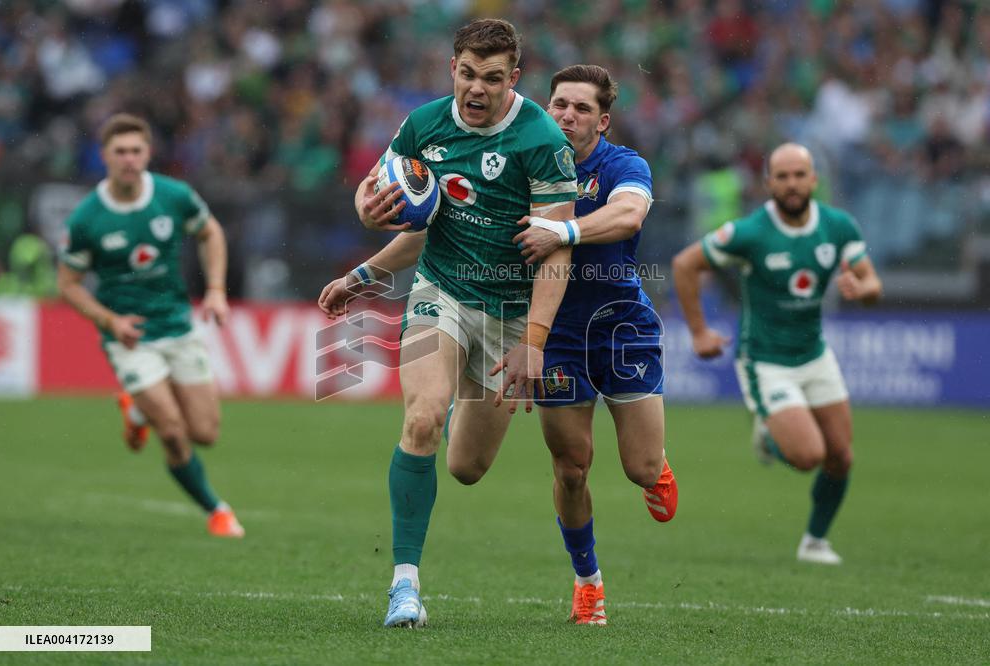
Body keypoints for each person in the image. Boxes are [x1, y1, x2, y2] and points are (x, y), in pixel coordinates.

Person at [320, 19, 577, 628]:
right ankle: (404, 585)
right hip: (442, 291)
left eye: (492, 78)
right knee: (421, 418)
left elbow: (558, 251)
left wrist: (534, 342)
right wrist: (367, 226)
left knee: (465, 468)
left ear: (513, 78)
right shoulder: (423, 124)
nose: (477, 89)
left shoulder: (541, 139)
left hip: (512, 316)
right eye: (467, 74)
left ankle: (467, 396)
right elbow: (379, 197)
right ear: (451, 70)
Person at [507, 64, 678, 626]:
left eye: (581, 108)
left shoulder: (622, 165)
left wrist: (564, 230)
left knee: (641, 468)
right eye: (558, 103)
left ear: (601, 121)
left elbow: (629, 215)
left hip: (621, 327)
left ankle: (658, 471)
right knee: (572, 468)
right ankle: (588, 581)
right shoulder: (520, 166)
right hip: (554, 337)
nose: (566, 115)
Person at [672, 142, 882, 564]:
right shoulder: (750, 233)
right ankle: (768, 436)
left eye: (799, 175)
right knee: (809, 456)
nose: (791, 184)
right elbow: (684, 264)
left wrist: (863, 291)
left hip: (814, 355)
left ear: (814, 180)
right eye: (782, 176)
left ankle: (815, 542)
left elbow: (873, 285)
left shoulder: (838, 226)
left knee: (841, 455)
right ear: (768, 183)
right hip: (766, 361)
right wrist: (698, 332)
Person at [56, 113, 244, 539]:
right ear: (104, 156)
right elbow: (67, 285)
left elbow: (211, 232)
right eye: (120, 151)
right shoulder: (87, 218)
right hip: (130, 336)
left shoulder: (173, 195)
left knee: (205, 433)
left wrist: (215, 289)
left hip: (177, 324)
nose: (129, 159)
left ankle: (136, 409)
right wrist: (109, 320)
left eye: (136, 151)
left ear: (148, 153)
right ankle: (217, 510)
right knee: (175, 434)